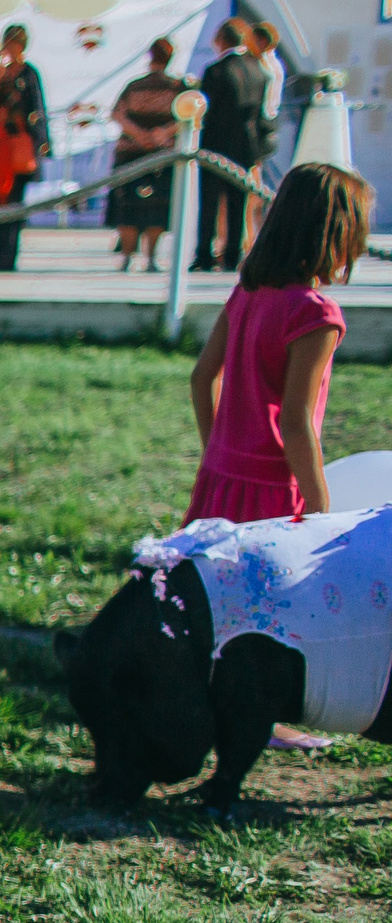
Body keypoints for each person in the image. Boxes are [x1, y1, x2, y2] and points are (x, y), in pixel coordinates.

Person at [186, 162, 373, 752]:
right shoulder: (316, 316)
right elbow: (297, 422)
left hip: (221, 476)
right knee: (268, 616)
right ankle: (257, 720)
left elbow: (201, 378)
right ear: (338, 235)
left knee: (216, 600)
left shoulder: (248, 291)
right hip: (274, 489)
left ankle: (201, 696)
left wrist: (219, 448)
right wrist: (318, 507)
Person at [195, 20, 274, 272]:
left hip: (216, 144)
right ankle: (233, 254)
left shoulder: (215, 71)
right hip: (246, 146)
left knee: (209, 203)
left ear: (222, 40)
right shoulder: (259, 70)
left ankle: (204, 254)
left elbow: (207, 111)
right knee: (238, 203)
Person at [0, 24, 50, 271]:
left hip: (16, 149)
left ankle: (7, 258)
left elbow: (37, 109)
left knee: (13, 204)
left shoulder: (28, 73)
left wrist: (42, 142)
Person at [107, 38, 187, 273]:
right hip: (162, 153)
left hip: (129, 152)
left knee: (127, 205)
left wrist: (138, 134)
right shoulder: (177, 88)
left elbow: (118, 114)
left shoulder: (134, 86)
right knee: (157, 206)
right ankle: (151, 257)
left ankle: (126, 257)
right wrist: (161, 134)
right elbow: (187, 117)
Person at [246, 21, 287, 243]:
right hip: (268, 126)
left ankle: (253, 235)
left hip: (259, 128)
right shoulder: (276, 64)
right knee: (256, 182)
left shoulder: (264, 66)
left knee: (253, 185)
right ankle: (252, 234)